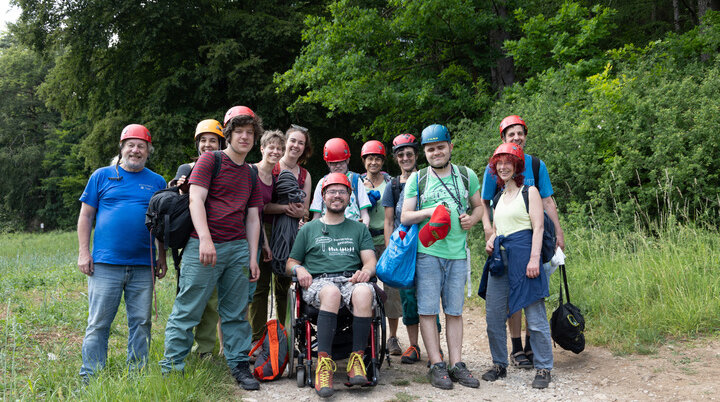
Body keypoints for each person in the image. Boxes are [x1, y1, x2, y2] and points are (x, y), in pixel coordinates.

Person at [160, 106, 263, 391]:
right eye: (239, 132)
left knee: (236, 311)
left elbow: (253, 217)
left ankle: (239, 365)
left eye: (250, 133)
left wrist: (253, 256)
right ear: (228, 135)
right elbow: (196, 200)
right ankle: (171, 368)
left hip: (238, 249)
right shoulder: (210, 161)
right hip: (203, 246)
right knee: (188, 308)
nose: (244, 137)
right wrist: (204, 238)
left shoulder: (252, 174)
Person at [77, 124, 167, 381]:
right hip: (106, 264)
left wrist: (162, 256)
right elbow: (85, 216)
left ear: (148, 151)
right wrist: (84, 253)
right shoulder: (101, 176)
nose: (135, 150)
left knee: (141, 323)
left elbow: (161, 223)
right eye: (131, 145)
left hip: (143, 265)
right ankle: (91, 377)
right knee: (98, 323)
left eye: (141, 146)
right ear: (122, 148)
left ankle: (136, 376)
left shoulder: (157, 181)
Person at [401, 124, 483, 390]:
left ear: (450, 147)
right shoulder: (418, 178)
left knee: (455, 311)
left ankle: (457, 364)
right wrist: (428, 213)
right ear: (424, 152)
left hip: (457, 254)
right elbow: (405, 216)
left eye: (440, 147)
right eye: (430, 149)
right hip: (427, 253)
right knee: (427, 310)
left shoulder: (465, 174)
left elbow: (479, 206)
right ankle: (437, 364)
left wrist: (473, 219)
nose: (436, 152)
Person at [480, 115, 565, 368]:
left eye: (520, 133)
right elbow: (487, 203)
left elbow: (546, 207)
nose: (516, 137)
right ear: (503, 138)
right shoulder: (494, 175)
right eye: (511, 133)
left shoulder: (535, 167)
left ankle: (535, 354)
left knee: (531, 302)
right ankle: (516, 348)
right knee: (508, 302)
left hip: (530, 247)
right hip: (504, 248)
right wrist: (489, 233)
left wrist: (558, 234)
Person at [286, 172, 377, 398]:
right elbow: (291, 262)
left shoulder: (359, 229)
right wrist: (299, 269)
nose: (337, 196)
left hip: (349, 279)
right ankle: (323, 365)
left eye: (342, 192)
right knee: (331, 292)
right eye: (332, 192)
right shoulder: (308, 229)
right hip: (320, 281)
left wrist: (365, 272)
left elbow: (369, 262)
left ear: (349, 197)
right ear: (323, 197)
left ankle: (356, 360)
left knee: (365, 292)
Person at [381, 133, 442, 364]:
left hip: (427, 247)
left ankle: (434, 348)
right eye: (401, 155)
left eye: (409, 153)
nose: (405, 158)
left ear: (416, 155)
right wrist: (390, 252)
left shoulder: (429, 180)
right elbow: (389, 221)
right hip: (404, 250)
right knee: (407, 298)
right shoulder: (393, 186)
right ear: (396, 158)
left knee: (428, 296)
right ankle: (414, 346)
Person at [169, 119, 225, 358]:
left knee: (212, 301)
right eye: (203, 140)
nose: (207, 145)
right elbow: (171, 201)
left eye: (212, 140)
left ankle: (204, 350)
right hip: (192, 241)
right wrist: (179, 189)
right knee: (189, 298)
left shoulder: (226, 166)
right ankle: (177, 353)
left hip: (220, 238)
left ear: (221, 143)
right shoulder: (186, 168)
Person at [359, 140, 404, 356]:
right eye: (370, 158)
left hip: (387, 240)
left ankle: (392, 337)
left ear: (383, 161)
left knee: (392, 291)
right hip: (364, 242)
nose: (373, 162)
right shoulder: (356, 183)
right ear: (364, 161)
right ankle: (365, 334)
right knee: (364, 288)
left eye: (377, 158)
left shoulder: (391, 183)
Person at [248, 130, 288, 344]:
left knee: (280, 284)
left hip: (271, 233)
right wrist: (264, 243)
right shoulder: (250, 171)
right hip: (252, 233)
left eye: (279, 148)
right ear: (262, 148)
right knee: (258, 287)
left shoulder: (274, 178)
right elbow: (255, 210)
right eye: (271, 147)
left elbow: (267, 209)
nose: (275, 151)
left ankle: (282, 336)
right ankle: (256, 340)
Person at [310, 138, 371, 226]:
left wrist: (363, 230)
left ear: (347, 160)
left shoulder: (355, 180)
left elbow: (364, 214)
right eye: (334, 163)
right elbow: (316, 216)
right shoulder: (322, 182)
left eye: (341, 162)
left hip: (352, 230)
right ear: (328, 163)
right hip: (328, 231)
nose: (338, 166)